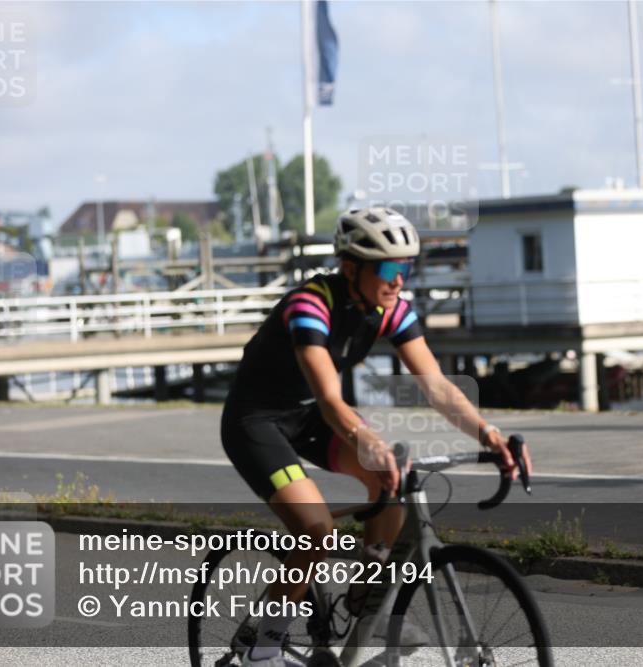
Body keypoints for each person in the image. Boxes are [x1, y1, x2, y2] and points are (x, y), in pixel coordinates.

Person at [221, 207, 532, 667]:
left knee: (390, 483)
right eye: (389, 269)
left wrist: (490, 435)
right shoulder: (309, 305)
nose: (399, 280)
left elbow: (438, 387)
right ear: (351, 268)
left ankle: (365, 597)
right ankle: (263, 643)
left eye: (406, 268)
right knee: (315, 532)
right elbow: (329, 397)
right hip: (256, 422)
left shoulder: (391, 310)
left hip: (308, 419)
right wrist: (369, 441)